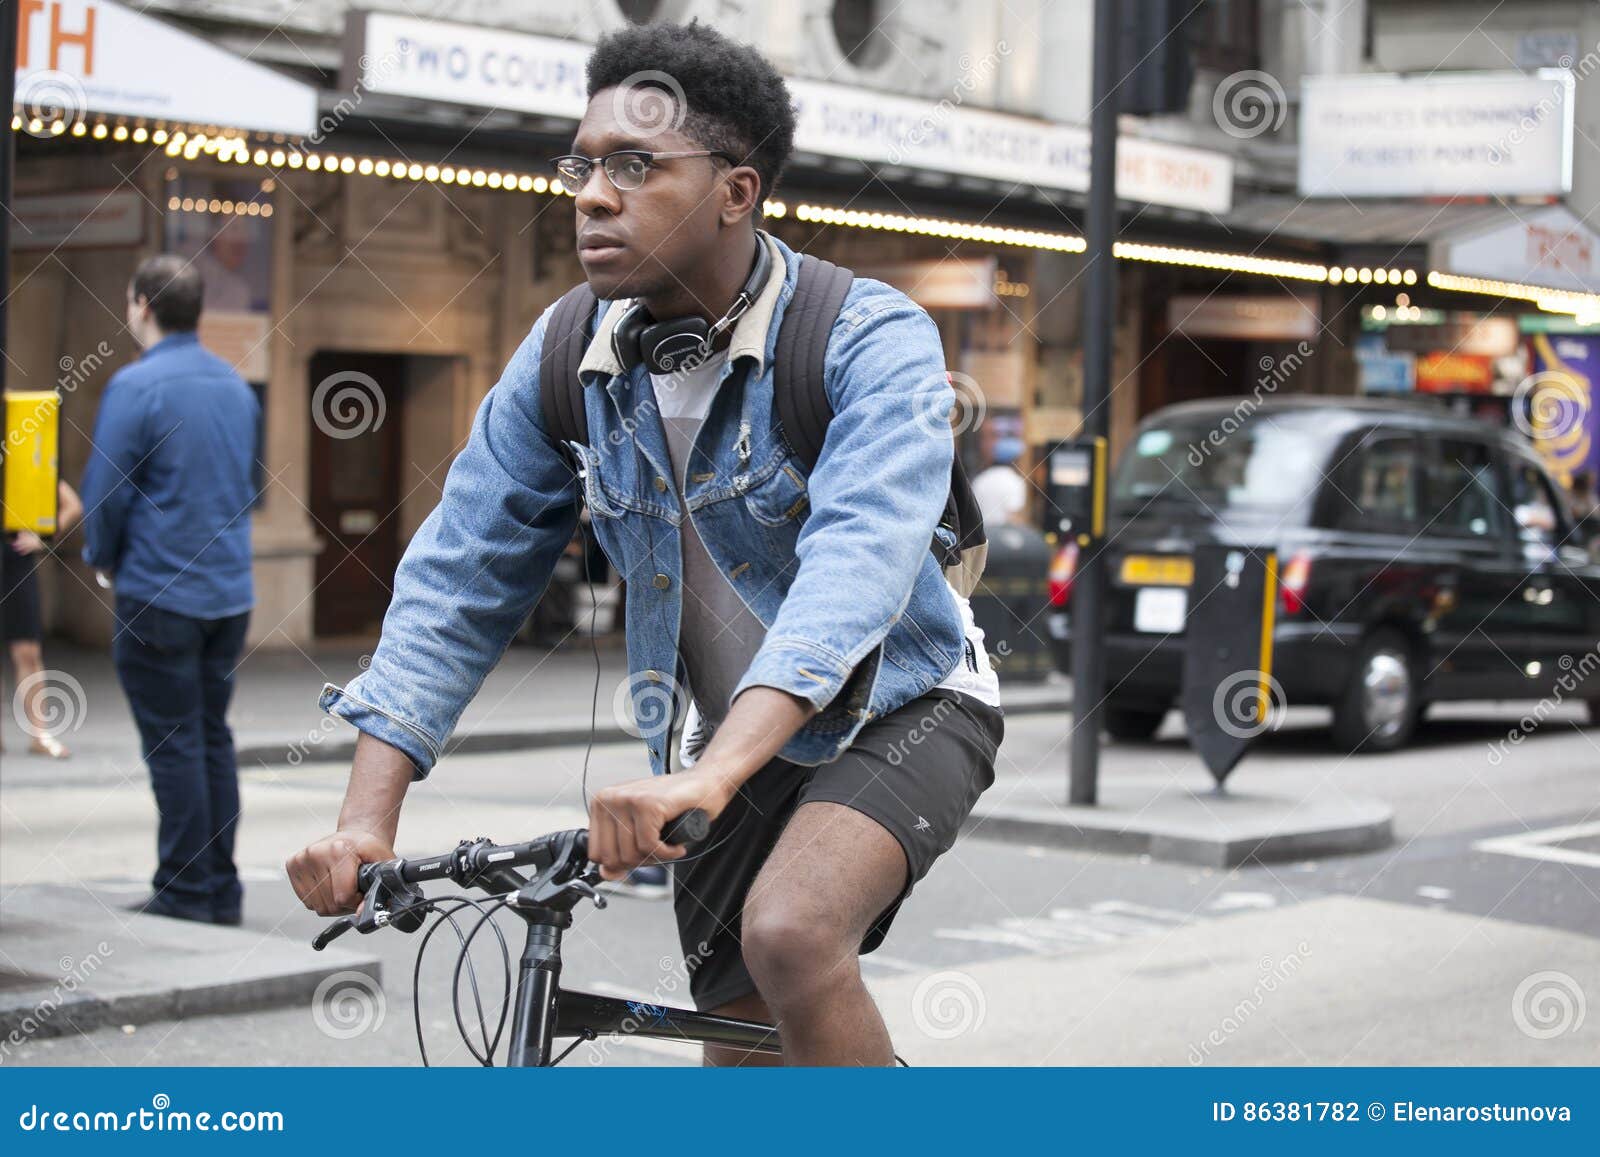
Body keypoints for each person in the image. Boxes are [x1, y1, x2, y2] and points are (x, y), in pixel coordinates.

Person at [287, 22, 1002, 1066]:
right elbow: (459, 576)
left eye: (635, 165)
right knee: (743, 1047)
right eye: (582, 162)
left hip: (903, 704)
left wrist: (711, 775)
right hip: (721, 747)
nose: (589, 192)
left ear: (735, 192)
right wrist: (363, 820)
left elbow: (858, 565)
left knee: (791, 934)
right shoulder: (564, 353)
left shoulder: (865, 336)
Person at [80, 254, 260, 926]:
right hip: (228, 595)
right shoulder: (235, 386)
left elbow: (106, 492)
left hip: (159, 593)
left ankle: (184, 890)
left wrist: (102, 559)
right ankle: (219, 888)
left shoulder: (136, 385)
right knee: (210, 735)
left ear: (141, 305)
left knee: (175, 743)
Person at [2, 480, 83, 757]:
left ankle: (40, 734)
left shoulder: (22, 456)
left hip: (13, 560)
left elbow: (71, 504)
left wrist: (43, 536)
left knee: (28, 650)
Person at [971, 435, 1031, 528]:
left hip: (980, 537)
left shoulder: (980, 479)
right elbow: (1013, 518)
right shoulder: (1015, 482)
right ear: (1016, 460)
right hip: (1002, 539)